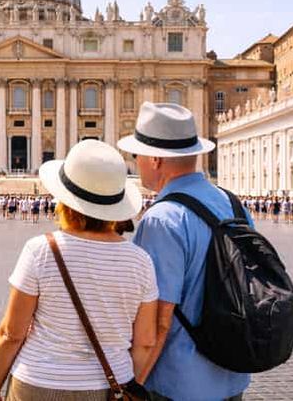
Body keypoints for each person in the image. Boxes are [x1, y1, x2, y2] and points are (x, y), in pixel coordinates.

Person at [0, 139, 158, 401]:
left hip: (39, 383)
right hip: (109, 387)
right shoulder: (141, 261)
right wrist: (124, 384)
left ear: (64, 201)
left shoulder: (39, 250)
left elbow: (11, 334)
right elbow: (145, 341)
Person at [117, 102, 251, 400]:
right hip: (231, 375)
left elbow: (158, 320)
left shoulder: (162, 219)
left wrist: (132, 386)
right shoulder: (233, 203)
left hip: (177, 382)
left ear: (154, 159)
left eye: (136, 155)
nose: (135, 162)